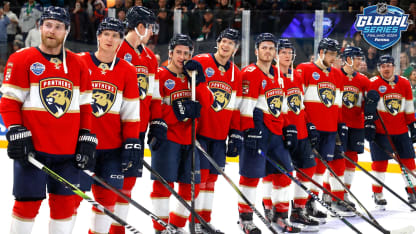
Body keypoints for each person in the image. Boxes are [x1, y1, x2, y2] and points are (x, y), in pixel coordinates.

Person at [0, 6, 96, 233]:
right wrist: (15, 129)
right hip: (33, 150)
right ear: (40, 27)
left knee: (64, 207)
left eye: (58, 27)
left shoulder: (78, 64)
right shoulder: (22, 59)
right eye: (48, 25)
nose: (52, 31)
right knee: (26, 205)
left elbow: (85, 106)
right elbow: (10, 101)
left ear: (67, 31)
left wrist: (86, 135)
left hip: (68, 153)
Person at [76, 17, 141, 234]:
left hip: (112, 148)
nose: (110, 39)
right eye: (106, 34)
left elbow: (131, 112)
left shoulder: (128, 70)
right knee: (69, 201)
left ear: (121, 41)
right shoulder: (79, 62)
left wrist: (132, 140)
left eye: (115, 35)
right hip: (80, 145)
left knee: (106, 202)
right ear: (98, 36)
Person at [150, 33, 213, 234]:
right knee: (163, 186)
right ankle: (160, 229)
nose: (182, 57)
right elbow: (153, 108)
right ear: (170, 53)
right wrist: (177, 112)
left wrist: (200, 80)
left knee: (189, 185)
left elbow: (208, 103)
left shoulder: (192, 78)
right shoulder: (160, 75)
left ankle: (176, 226)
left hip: (190, 139)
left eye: (187, 53)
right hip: (166, 138)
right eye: (179, 52)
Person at [238, 33, 299, 233]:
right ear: (256, 51)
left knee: (284, 173)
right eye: (264, 47)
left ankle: (280, 215)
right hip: (258, 131)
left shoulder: (278, 73)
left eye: (271, 48)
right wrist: (249, 130)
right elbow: (245, 105)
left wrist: (289, 125)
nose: (268, 51)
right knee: (251, 176)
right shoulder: (250, 72)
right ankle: (245, 218)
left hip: (276, 131)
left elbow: (280, 103)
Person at [109, 6, 161, 234]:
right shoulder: (115, 50)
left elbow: (153, 95)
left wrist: (156, 122)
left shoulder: (150, 57)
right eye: (149, 27)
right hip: (113, 128)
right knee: (111, 180)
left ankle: (117, 229)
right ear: (140, 27)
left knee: (129, 180)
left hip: (138, 128)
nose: (151, 32)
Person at [191, 27, 242, 233]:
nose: (225, 45)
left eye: (230, 43)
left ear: (235, 49)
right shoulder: (202, 61)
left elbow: (235, 107)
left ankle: (204, 221)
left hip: (219, 136)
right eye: (223, 41)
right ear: (218, 43)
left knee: (211, 180)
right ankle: (192, 221)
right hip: (200, 133)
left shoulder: (236, 73)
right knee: (199, 179)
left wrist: (235, 133)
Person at [296, 38, 350, 220]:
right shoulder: (304, 69)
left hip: (329, 130)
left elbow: (337, 103)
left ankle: (312, 202)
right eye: (331, 54)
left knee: (320, 168)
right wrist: (305, 123)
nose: (334, 57)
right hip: (310, 129)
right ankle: (299, 206)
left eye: (335, 54)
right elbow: (297, 99)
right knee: (307, 168)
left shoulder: (337, 74)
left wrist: (340, 125)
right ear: (321, 52)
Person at [270, 38, 319, 231]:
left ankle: (298, 211)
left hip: (300, 131)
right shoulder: (270, 75)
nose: (287, 55)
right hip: (280, 132)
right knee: (279, 174)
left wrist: (309, 124)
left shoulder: (297, 75)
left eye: (290, 52)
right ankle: (273, 210)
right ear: (276, 55)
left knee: (308, 168)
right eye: (283, 52)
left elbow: (300, 105)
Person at [364, 54, 416, 207]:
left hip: (400, 131)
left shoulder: (405, 83)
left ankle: (412, 191)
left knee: (409, 162)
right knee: (380, 164)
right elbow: (368, 108)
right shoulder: (373, 84)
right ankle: (378, 193)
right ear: (379, 68)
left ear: (394, 66)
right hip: (381, 132)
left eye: (388, 65)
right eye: (383, 66)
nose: (386, 69)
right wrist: (369, 124)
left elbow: (408, 107)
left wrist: (412, 125)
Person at [337, 46, 370, 208]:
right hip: (338, 125)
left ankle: (344, 194)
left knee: (352, 161)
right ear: (348, 58)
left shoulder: (364, 80)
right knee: (337, 160)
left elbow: (367, 105)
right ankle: (332, 195)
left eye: (360, 58)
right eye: (357, 58)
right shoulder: (335, 76)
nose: (360, 62)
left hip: (356, 125)